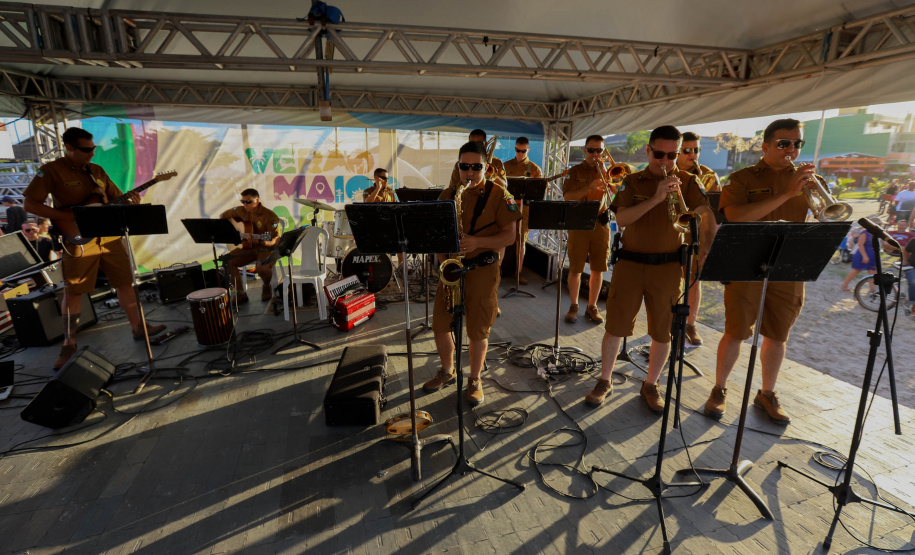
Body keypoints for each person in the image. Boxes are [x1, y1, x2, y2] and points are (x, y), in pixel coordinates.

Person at [584, 126, 714, 413]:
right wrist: (656, 197)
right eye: (659, 154)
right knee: (615, 327)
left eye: (672, 155)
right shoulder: (632, 181)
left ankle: (651, 384)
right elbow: (622, 219)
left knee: (663, 332)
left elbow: (705, 214)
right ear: (648, 151)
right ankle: (605, 380)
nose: (665, 161)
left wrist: (705, 245)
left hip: (668, 267)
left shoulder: (689, 182)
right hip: (630, 264)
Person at [23, 127, 167, 369]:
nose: (92, 153)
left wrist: (132, 201)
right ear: (69, 147)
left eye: (93, 148)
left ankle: (139, 327)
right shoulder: (51, 170)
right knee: (74, 290)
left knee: (125, 282)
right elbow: (30, 204)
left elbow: (114, 198)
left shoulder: (96, 170)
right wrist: (65, 216)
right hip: (78, 239)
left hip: (109, 237)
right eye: (86, 149)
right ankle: (68, 344)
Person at [704, 118, 813, 424]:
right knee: (736, 331)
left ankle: (767, 393)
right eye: (784, 143)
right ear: (765, 146)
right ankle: (719, 388)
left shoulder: (807, 179)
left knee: (778, 334)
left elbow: (823, 216)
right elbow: (736, 216)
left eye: (797, 144)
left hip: (788, 266)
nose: (791, 149)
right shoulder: (741, 179)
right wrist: (786, 194)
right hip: (747, 264)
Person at [422, 141, 521, 406]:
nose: (469, 172)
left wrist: (477, 242)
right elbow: (437, 234)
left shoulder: (500, 195)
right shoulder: (448, 194)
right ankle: (447, 370)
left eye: (476, 167)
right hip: (452, 269)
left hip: (483, 269)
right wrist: (444, 264)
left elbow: (510, 236)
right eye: (464, 166)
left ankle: (475, 379)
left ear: (486, 168)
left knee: (478, 328)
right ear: (458, 166)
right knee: (440, 325)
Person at [561, 135, 614, 324]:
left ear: (604, 151)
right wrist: (588, 188)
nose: (595, 154)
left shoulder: (608, 171)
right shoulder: (574, 171)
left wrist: (606, 173)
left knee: (598, 268)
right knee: (576, 268)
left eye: (599, 150)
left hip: (600, 223)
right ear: (585, 151)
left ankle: (592, 306)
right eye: (591, 150)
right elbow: (567, 196)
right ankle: (574, 305)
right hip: (579, 223)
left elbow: (618, 193)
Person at [676, 132, 720, 346]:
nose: (693, 154)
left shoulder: (709, 175)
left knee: (694, 281)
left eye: (696, 150)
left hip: (696, 234)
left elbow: (715, 211)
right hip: (672, 233)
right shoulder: (669, 170)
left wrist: (708, 242)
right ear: (678, 151)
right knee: (669, 282)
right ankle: (669, 324)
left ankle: (690, 324)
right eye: (687, 150)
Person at [219, 189, 280, 303]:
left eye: (248, 201)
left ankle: (266, 285)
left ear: (257, 200)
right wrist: (232, 230)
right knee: (228, 261)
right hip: (248, 247)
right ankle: (240, 293)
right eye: (243, 201)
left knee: (261, 267)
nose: (245, 204)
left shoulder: (269, 216)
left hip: (265, 248)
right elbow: (223, 216)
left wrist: (261, 242)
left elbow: (275, 239)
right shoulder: (240, 210)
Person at [503, 136, 543, 285]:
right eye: (517, 150)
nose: (520, 153)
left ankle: (518, 272)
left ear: (528, 150)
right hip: (507, 207)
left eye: (523, 151)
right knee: (502, 238)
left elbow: (538, 193)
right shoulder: (505, 166)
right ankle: (498, 269)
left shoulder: (534, 169)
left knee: (521, 241)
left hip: (524, 209)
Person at [361, 168, 404, 269]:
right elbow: (367, 203)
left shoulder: (389, 191)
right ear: (377, 178)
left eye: (387, 178)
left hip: (388, 224)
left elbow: (396, 206)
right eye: (384, 178)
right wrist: (377, 189)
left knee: (401, 237)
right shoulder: (368, 191)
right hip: (374, 225)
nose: (386, 180)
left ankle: (401, 266)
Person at [840, 224, 877, 293]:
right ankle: (844, 286)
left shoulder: (876, 234)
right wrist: (864, 256)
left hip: (872, 256)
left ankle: (872, 290)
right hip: (862, 255)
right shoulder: (865, 233)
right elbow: (860, 245)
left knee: (872, 273)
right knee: (856, 271)